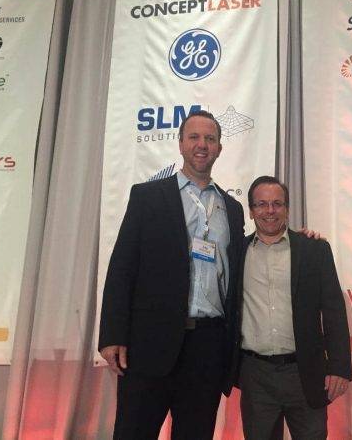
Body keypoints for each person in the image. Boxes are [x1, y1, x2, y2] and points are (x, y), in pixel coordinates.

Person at [98, 110, 245, 439]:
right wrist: (112, 334)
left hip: (208, 347)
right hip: (149, 343)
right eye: (194, 137)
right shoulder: (147, 197)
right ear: (180, 144)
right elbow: (122, 267)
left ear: (219, 148)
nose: (202, 145)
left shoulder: (232, 209)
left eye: (210, 139)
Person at [236, 176, 352, 440]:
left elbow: (333, 311)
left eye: (277, 204)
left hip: (305, 372)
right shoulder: (236, 252)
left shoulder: (314, 250)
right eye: (262, 204)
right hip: (255, 375)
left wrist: (339, 367)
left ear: (287, 208)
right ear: (251, 211)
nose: (270, 211)